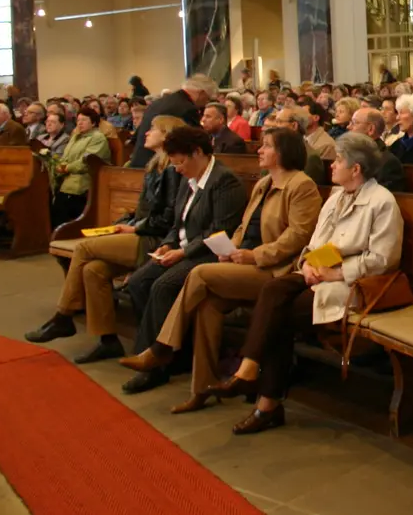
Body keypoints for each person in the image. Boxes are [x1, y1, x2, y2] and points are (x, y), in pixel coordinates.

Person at [201, 133, 403, 434]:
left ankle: (263, 399)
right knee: (273, 290)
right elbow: (315, 242)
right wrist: (308, 264)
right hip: (318, 274)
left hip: (352, 284)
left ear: (356, 169)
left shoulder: (382, 202)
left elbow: (383, 259)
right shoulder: (336, 198)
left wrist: (337, 273)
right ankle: (251, 376)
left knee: (280, 314)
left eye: (337, 160)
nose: (331, 166)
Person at [118, 128, 323, 410]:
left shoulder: (302, 185)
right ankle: (201, 389)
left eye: (266, 146)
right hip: (244, 262)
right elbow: (242, 226)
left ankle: (161, 348)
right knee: (207, 306)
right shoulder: (264, 184)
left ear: (283, 152)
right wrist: (227, 251)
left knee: (199, 273)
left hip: (274, 270)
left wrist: (253, 255)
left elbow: (298, 236)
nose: (259, 151)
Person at [25, 116, 188, 361]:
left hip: (156, 241)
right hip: (143, 232)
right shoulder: (155, 165)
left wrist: (135, 228)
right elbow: (147, 209)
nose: (146, 133)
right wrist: (127, 222)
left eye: (153, 129)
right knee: (93, 271)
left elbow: (169, 217)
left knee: (85, 248)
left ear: (166, 135)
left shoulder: (173, 170)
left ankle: (63, 317)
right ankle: (107, 340)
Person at [118, 126, 248, 394]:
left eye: (179, 162)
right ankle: (165, 353)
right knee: (139, 281)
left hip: (209, 254)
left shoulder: (224, 181)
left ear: (197, 152)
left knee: (163, 286)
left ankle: (155, 365)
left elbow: (219, 230)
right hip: (183, 249)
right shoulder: (187, 179)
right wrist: (167, 244)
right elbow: (177, 223)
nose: (176, 168)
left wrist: (182, 252)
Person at [128, 75, 214, 167]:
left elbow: (136, 137)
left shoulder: (158, 102)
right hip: (160, 165)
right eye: (207, 98)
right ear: (201, 93)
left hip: (139, 161)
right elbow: (198, 143)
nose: (206, 103)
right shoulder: (187, 108)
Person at [50, 107, 112, 227]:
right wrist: (59, 166)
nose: (80, 123)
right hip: (67, 178)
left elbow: (87, 162)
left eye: (84, 120)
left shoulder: (97, 137)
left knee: (62, 204)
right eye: (78, 120)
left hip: (85, 180)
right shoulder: (75, 137)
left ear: (93, 122)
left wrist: (67, 168)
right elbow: (65, 157)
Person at [349, 107, 407, 192]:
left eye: (354, 123)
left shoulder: (388, 163)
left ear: (371, 129)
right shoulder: (351, 155)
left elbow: (380, 200)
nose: (349, 127)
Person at [267, 107, 328, 185]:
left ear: (294, 126)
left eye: (279, 121)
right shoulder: (275, 151)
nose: (275, 126)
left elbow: (306, 190)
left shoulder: (310, 158)